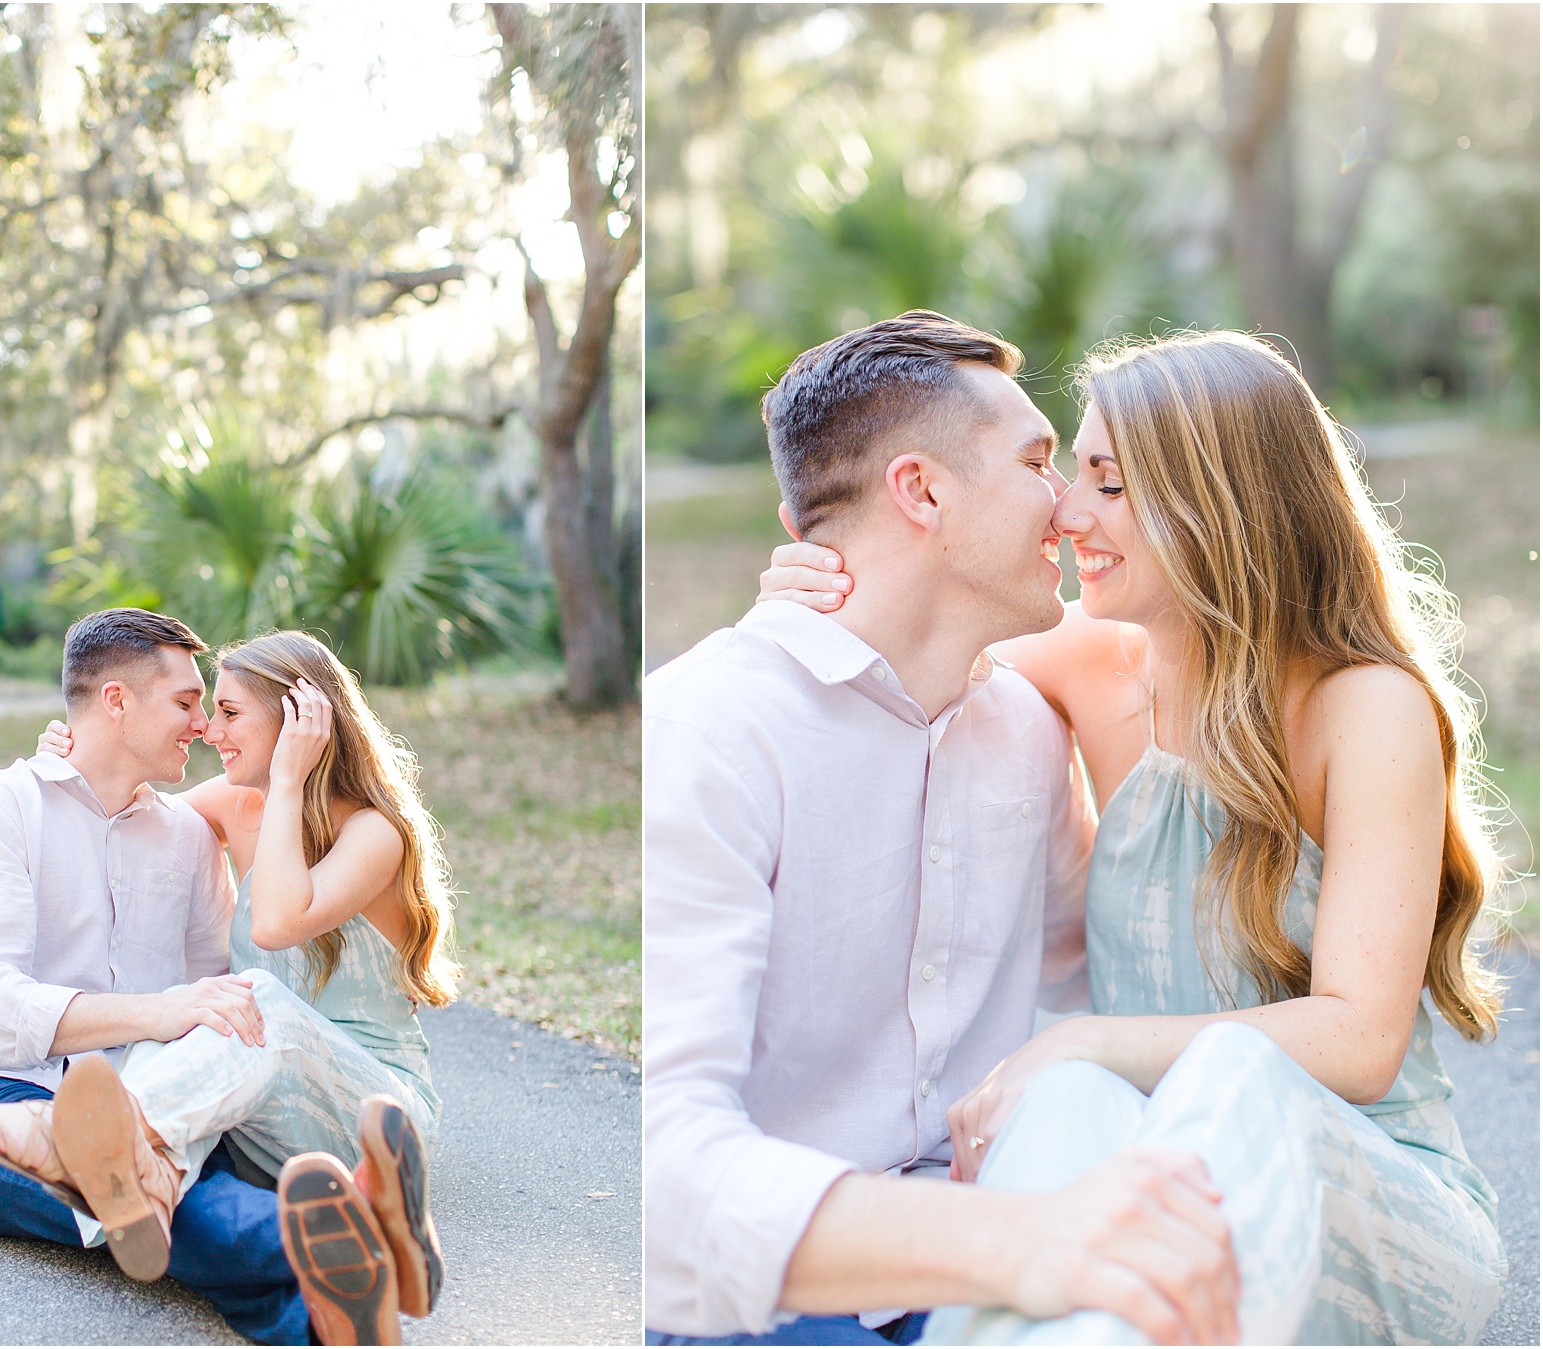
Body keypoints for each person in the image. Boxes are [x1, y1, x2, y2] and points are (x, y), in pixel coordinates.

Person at [759, 328, 1509, 1343]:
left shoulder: (1362, 708)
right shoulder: (1091, 666)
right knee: (1070, 1098)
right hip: (1151, 1197)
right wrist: (801, 604)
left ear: (1223, 502)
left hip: (1366, 1201)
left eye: (1109, 483)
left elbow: (1362, 1039)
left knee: (1178, 1072)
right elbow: (898, 635)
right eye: (1072, 472)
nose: (1067, 510)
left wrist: (1085, 1039)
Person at [644, 312, 1244, 1348]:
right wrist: (1014, 1237)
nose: (1065, 506)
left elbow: (1086, 1001)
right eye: (1039, 461)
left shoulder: (1022, 727)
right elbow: (663, 1170)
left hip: (991, 1257)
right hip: (771, 1295)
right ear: (922, 491)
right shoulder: (707, 732)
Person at [0, 610, 439, 1346]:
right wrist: (161, 1012)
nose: (205, 727)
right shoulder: (2, 809)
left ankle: (319, 1299)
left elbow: (221, 996)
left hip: (154, 1107)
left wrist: (174, 1019)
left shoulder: (188, 837)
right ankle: (355, 1253)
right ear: (115, 701)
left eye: (218, 708)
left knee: (170, 1184)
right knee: (180, 1202)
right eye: (190, 703)